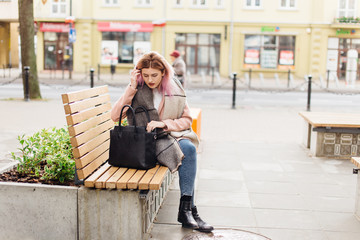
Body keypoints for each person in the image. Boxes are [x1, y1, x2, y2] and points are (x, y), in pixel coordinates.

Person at [111, 51, 213, 232]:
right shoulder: (136, 88)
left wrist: (164, 124)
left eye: (154, 75)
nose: (150, 79)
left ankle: (186, 209)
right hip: (144, 141)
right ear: (139, 73)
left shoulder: (175, 88)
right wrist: (132, 87)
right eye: (146, 75)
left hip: (168, 136)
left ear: (164, 73)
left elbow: (187, 120)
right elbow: (114, 116)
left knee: (188, 148)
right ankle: (190, 212)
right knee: (186, 152)